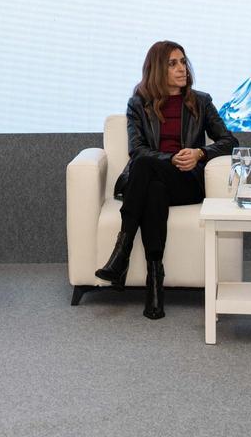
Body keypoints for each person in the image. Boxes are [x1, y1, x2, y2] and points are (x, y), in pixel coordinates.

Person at [95, 40, 237, 319]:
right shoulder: (138, 104)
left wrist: (199, 152)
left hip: (187, 181)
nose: (182, 68)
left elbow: (230, 141)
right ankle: (155, 283)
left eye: (183, 61)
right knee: (153, 186)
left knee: (147, 167)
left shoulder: (202, 102)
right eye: (173, 63)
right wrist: (168, 159)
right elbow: (136, 149)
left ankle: (121, 254)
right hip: (153, 179)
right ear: (158, 69)